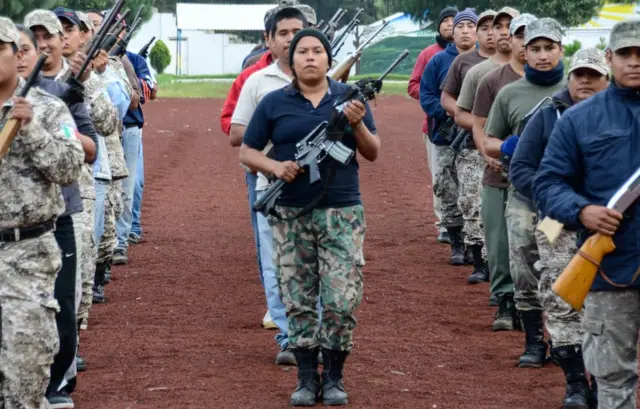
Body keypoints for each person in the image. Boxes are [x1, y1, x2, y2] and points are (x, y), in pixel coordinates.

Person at [239, 29, 379, 406]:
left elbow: (373, 152)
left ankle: (333, 376)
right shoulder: (273, 103)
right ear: (292, 59)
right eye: (303, 51)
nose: (311, 57)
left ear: (330, 59)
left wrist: (358, 122)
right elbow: (247, 151)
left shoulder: (349, 99)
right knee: (298, 297)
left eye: (318, 51)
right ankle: (305, 376)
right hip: (290, 213)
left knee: (340, 299)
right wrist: (275, 166)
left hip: (342, 212)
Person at [534, 20, 640, 409]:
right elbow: (547, 184)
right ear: (609, 58)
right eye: (626, 54)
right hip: (610, 270)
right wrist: (583, 211)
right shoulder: (580, 119)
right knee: (613, 379)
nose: (634, 62)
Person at [510, 47, 609, 408]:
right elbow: (521, 168)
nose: (585, 81)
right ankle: (574, 384)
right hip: (555, 222)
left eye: (593, 76)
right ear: (569, 77)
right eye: (579, 74)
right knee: (559, 295)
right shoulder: (548, 115)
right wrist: (556, 203)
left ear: (606, 79)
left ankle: (603, 382)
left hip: (612, 226)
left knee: (606, 302)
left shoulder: (626, 115)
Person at [0, 16, 84, 409]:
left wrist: (30, 129)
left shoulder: (48, 109)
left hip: (27, 256)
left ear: (17, 56)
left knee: (24, 374)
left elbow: (70, 168)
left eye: (0, 48)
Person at [230, 6, 309, 366]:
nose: (292, 39)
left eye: (298, 31)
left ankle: (315, 331)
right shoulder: (257, 82)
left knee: (316, 264)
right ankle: (289, 336)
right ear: (269, 40)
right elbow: (236, 134)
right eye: (283, 33)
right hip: (271, 184)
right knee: (275, 263)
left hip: (320, 190)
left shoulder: (331, 82)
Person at [483, 18, 566, 339]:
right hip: (523, 197)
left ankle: (563, 340)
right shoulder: (510, 94)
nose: (543, 55)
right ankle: (533, 340)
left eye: (549, 48)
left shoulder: (576, 88)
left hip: (562, 199)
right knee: (523, 267)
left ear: (560, 49)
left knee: (559, 262)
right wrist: (507, 144)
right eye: (535, 49)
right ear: (524, 52)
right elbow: (488, 140)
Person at [439, 9, 496, 283]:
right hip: (471, 145)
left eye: (493, 27)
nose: (489, 33)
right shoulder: (465, 63)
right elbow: (448, 99)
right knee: (471, 201)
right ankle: (478, 259)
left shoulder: (520, 69)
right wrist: (477, 122)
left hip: (507, 149)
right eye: (483, 28)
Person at [420, 8, 478, 265]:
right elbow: (427, 95)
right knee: (446, 187)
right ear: (451, 33)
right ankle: (455, 242)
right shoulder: (438, 61)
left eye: (470, 26)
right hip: (444, 137)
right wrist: (447, 115)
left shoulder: (484, 62)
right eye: (460, 26)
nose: (465, 30)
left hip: (475, 138)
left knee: (472, 190)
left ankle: (473, 243)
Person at [408, 6, 457, 244]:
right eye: (445, 21)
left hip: (467, 127)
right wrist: (439, 104)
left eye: (454, 20)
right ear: (439, 26)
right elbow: (414, 85)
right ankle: (444, 224)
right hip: (436, 128)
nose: (449, 24)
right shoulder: (429, 54)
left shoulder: (471, 55)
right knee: (441, 175)